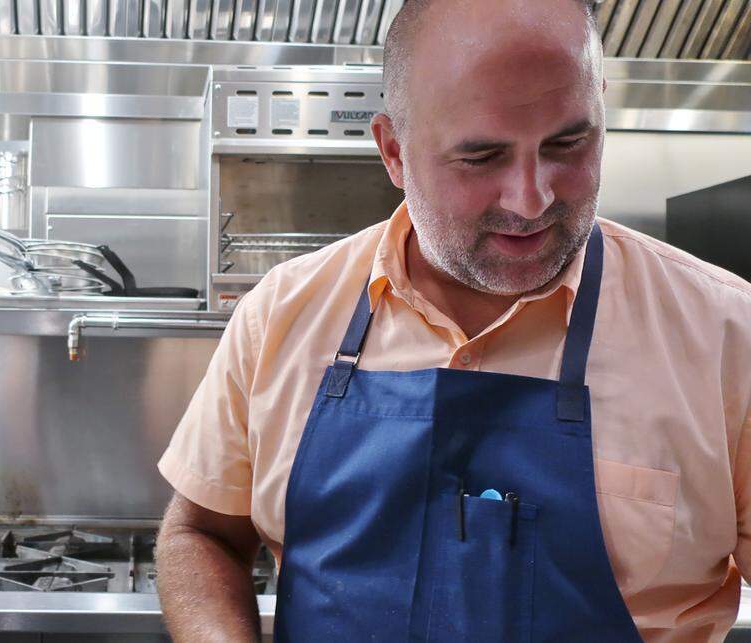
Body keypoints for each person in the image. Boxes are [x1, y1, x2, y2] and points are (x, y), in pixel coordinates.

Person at [155, 0, 751, 641]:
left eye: (568, 143)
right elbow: (200, 532)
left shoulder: (724, 334)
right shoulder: (280, 314)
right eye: (481, 157)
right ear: (393, 152)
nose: (533, 199)